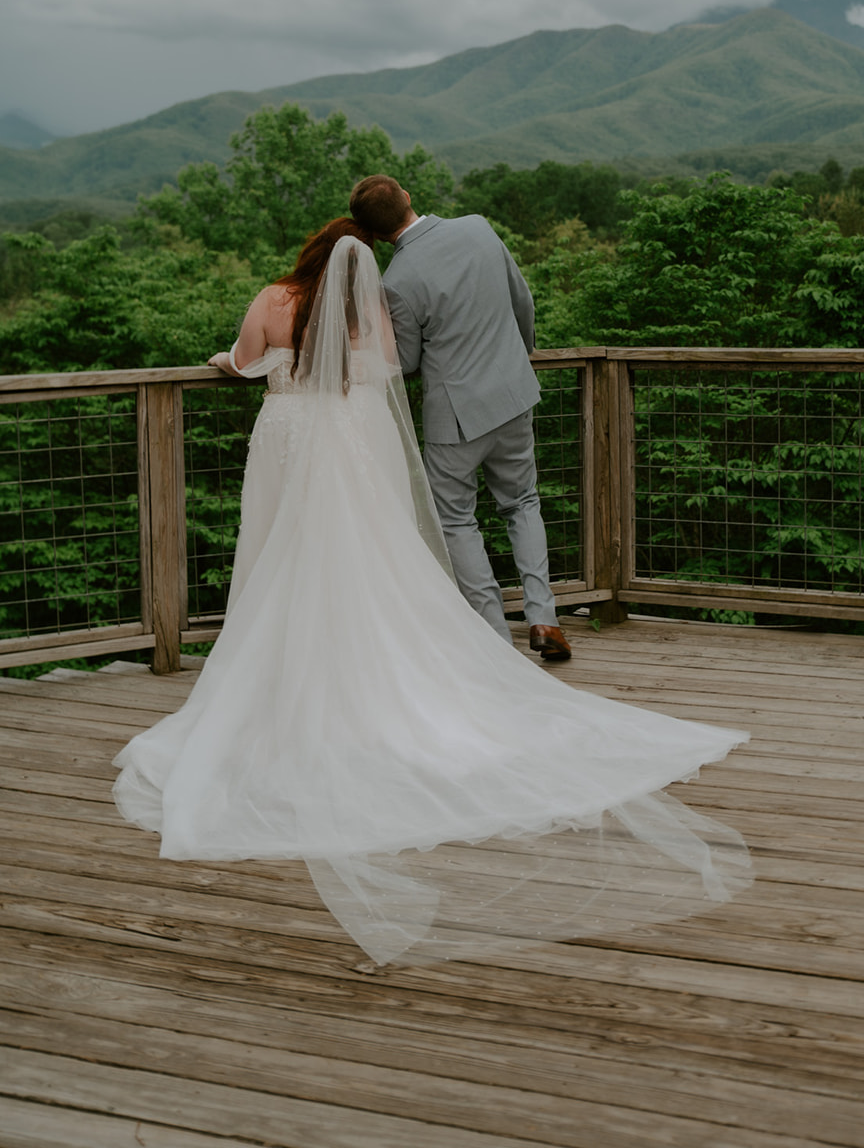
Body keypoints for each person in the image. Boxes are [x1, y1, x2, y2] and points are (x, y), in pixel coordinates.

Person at [112, 219, 751, 969]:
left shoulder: (273, 296)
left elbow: (247, 361)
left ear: (308, 251)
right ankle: (389, 668)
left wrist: (229, 359)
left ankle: (292, 672)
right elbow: (386, 370)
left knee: (282, 557)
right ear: (358, 263)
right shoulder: (365, 308)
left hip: (287, 437)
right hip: (349, 439)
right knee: (368, 559)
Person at [348, 174, 570, 660]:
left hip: (456, 419)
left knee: (456, 520)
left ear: (375, 234)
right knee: (523, 503)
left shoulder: (396, 283)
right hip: (513, 397)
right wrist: (518, 359)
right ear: (406, 196)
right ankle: (544, 621)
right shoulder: (478, 228)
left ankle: (494, 637)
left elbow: (405, 361)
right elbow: (523, 302)